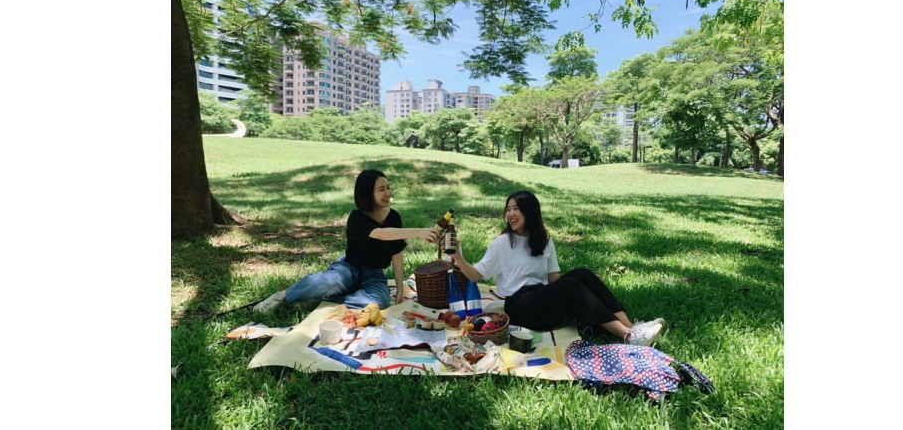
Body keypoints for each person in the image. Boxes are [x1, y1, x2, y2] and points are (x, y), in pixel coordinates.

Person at [450, 191, 665, 346]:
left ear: (530, 212)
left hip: (541, 298)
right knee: (571, 285)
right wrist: (458, 255)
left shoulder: (543, 240)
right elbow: (475, 275)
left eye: (517, 209)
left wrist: (583, 290)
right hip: (520, 307)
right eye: (508, 209)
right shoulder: (503, 242)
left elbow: (553, 279)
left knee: (581, 274)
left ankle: (631, 328)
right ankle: (627, 336)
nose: (510, 214)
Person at [254, 169, 439, 313]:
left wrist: (400, 288)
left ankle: (321, 302)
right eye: (381, 189)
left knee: (379, 302)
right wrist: (418, 232)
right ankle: (283, 295)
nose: (387, 193)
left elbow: (396, 252)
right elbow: (381, 234)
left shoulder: (394, 216)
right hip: (349, 268)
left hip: (374, 273)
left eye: (388, 187)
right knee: (327, 283)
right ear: (367, 193)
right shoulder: (357, 218)